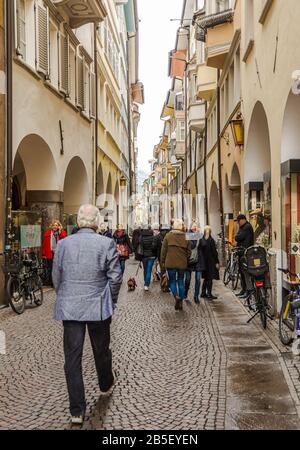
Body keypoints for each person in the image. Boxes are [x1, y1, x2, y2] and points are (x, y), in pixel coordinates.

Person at [52, 204, 122, 425]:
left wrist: (64, 294)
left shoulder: (63, 244)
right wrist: (110, 300)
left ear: (80, 221)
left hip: (70, 307)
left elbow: (56, 276)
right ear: (96, 222)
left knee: (72, 358)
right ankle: (105, 382)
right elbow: (115, 277)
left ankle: (76, 410)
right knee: (100, 350)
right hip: (98, 306)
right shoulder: (106, 243)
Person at [160, 219, 191, 311]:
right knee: (180, 281)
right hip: (182, 263)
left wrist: (162, 262)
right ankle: (180, 301)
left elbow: (163, 251)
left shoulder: (168, 236)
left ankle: (176, 296)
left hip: (170, 263)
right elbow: (189, 252)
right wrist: (186, 259)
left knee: (172, 281)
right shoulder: (186, 236)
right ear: (181, 226)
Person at [184, 223, 206, 304]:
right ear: (191, 227)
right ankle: (185, 292)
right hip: (189, 260)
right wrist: (196, 236)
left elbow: (204, 244)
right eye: (194, 225)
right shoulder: (187, 235)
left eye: (196, 226)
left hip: (199, 260)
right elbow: (191, 245)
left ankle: (196, 296)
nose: (195, 227)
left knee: (198, 280)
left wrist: (200, 235)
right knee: (187, 279)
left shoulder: (200, 235)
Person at [235, 213, 254, 299]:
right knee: (242, 273)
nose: (238, 223)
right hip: (242, 253)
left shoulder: (247, 227)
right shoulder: (243, 227)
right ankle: (244, 290)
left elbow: (238, 237)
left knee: (245, 273)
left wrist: (237, 236)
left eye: (238, 221)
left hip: (246, 254)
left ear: (243, 220)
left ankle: (248, 291)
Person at [42, 220, 67, 286]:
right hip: (50, 252)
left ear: (59, 226)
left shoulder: (62, 233)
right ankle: (52, 282)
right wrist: (44, 254)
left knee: (59, 267)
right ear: (51, 226)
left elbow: (64, 239)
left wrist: (60, 231)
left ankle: (59, 281)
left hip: (59, 253)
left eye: (56, 225)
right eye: (54, 225)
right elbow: (44, 244)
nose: (55, 227)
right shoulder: (48, 233)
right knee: (50, 268)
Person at [201, 226, 220, 300]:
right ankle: (209, 294)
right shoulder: (211, 240)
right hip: (210, 261)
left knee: (206, 278)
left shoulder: (202, 240)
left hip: (204, 262)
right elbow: (214, 252)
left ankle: (203, 293)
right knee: (210, 278)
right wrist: (217, 262)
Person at [140, 225, 159, 291]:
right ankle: (146, 285)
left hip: (144, 256)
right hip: (151, 256)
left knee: (145, 270)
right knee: (149, 270)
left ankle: (146, 283)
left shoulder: (141, 237)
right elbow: (154, 246)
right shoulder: (153, 237)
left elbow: (140, 247)